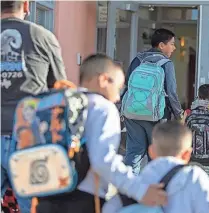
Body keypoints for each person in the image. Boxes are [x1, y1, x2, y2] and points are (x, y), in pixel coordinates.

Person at [33, 54, 168, 213]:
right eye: (118, 88)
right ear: (103, 80)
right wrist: (139, 190)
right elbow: (103, 160)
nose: (118, 97)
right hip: (84, 198)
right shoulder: (103, 107)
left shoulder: (55, 104)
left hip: (46, 195)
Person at [1, 1, 67, 212]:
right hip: (29, 136)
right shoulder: (42, 36)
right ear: (27, 6)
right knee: (33, 206)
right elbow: (59, 88)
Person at [103, 121, 209, 213]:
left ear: (151, 151)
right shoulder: (194, 177)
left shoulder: (137, 182)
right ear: (187, 154)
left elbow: (110, 208)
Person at [122, 28, 184, 175]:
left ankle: (128, 189)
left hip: (132, 112)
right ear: (161, 45)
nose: (174, 48)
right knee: (156, 153)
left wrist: (122, 108)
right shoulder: (166, 64)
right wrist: (179, 114)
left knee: (134, 152)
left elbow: (127, 84)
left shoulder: (138, 59)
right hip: (156, 115)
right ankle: (153, 189)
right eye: (172, 44)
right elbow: (171, 92)